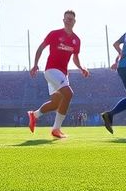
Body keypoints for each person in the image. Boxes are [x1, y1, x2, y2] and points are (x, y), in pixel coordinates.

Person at [28, 11, 88, 139]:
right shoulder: (54, 34)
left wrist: (81, 68)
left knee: (56, 103)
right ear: (63, 20)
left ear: (74, 22)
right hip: (51, 71)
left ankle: (34, 115)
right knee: (69, 94)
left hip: (63, 74)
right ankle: (56, 129)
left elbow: (75, 57)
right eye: (66, 19)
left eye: (71, 19)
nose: (68, 21)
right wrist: (35, 64)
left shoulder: (76, 40)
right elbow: (41, 48)